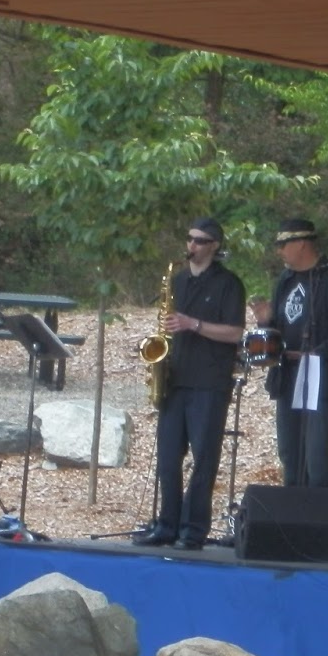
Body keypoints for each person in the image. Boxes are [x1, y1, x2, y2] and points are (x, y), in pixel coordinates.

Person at [134, 217, 245, 551]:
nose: (191, 245)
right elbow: (168, 327)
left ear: (214, 246)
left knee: (203, 460)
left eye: (199, 240)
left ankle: (193, 530)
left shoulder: (229, 284)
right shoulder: (178, 280)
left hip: (209, 381)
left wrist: (193, 324)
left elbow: (235, 333)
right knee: (168, 459)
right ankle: (166, 525)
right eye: (189, 239)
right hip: (175, 378)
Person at [250, 218, 328, 490]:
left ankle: (320, 510)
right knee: (290, 452)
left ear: (301, 243)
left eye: (283, 244)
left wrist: (315, 353)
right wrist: (265, 322)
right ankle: (293, 508)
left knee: (316, 454)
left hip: (321, 375)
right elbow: (278, 330)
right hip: (287, 375)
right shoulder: (285, 280)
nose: (279, 251)